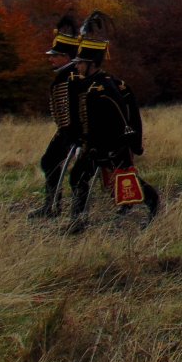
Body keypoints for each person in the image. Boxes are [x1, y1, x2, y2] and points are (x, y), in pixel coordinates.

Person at [65, 23, 160, 234]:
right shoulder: (90, 84)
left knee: (128, 180)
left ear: (91, 64)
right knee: (77, 177)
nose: (77, 67)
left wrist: (117, 147)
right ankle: (77, 221)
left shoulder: (105, 87)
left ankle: (153, 202)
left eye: (81, 63)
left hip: (111, 147)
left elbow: (120, 120)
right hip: (94, 147)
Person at [30, 16, 83, 219]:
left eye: (55, 56)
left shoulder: (73, 77)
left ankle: (72, 211)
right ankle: (52, 205)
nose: (50, 59)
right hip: (66, 131)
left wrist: (76, 134)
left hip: (74, 131)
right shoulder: (65, 75)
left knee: (78, 172)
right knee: (49, 162)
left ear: (66, 57)